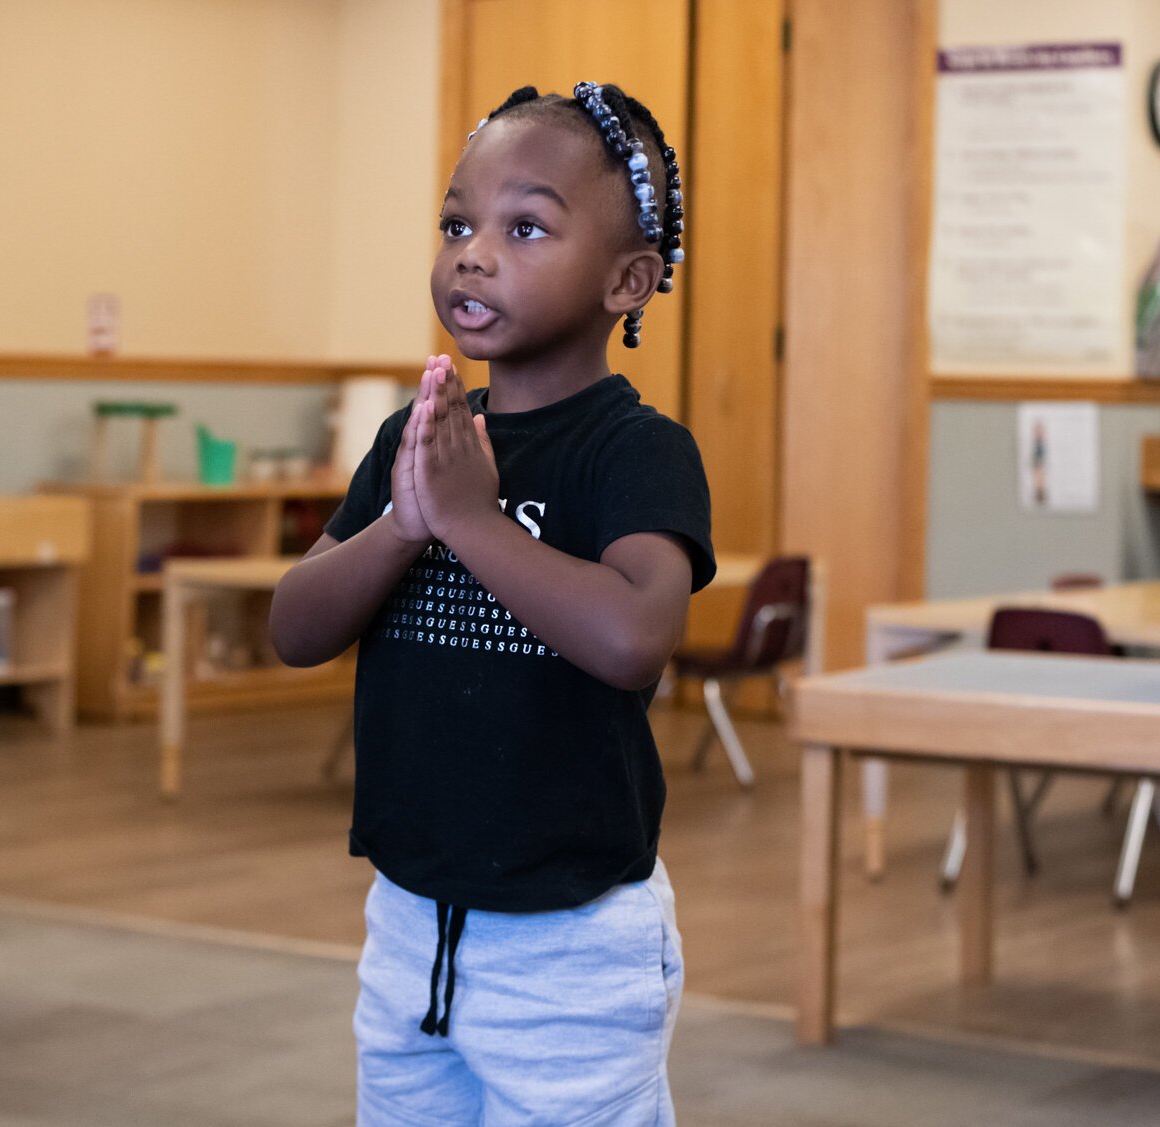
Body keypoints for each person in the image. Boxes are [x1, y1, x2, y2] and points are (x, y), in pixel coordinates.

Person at [269, 80, 714, 1126]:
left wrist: (472, 522)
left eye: (524, 227)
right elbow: (294, 627)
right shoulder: (415, 439)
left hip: (571, 945)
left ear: (628, 280)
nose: (473, 250)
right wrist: (405, 519)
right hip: (411, 918)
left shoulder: (635, 450)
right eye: (458, 222)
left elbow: (633, 637)